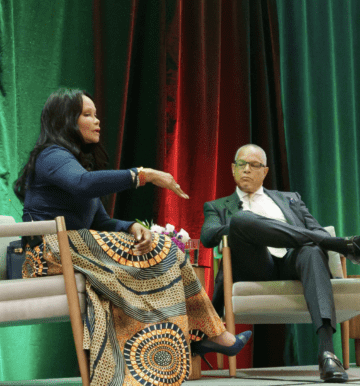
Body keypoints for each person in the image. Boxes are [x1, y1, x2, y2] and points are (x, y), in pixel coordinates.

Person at [14, 88, 251, 386]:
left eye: (96, 114)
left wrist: (131, 227)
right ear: (66, 122)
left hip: (72, 246)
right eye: (87, 114)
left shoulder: (75, 163)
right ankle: (209, 337)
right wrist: (143, 174)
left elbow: (101, 221)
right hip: (43, 254)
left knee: (161, 248)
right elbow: (83, 185)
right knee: (162, 249)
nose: (97, 120)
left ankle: (204, 335)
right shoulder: (51, 156)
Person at [200, 143, 360, 384]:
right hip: (255, 267)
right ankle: (345, 246)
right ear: (233, 169)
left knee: (312, 249)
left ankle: (327, 352)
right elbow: (207, 236)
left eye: (254, 165)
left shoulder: (291, 199)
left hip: (293, 263)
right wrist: (245, 228)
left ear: (264, 172)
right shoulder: (217, 206)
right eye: (241, 164)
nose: (246, 170)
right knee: (242, 219)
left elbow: (316, 230)